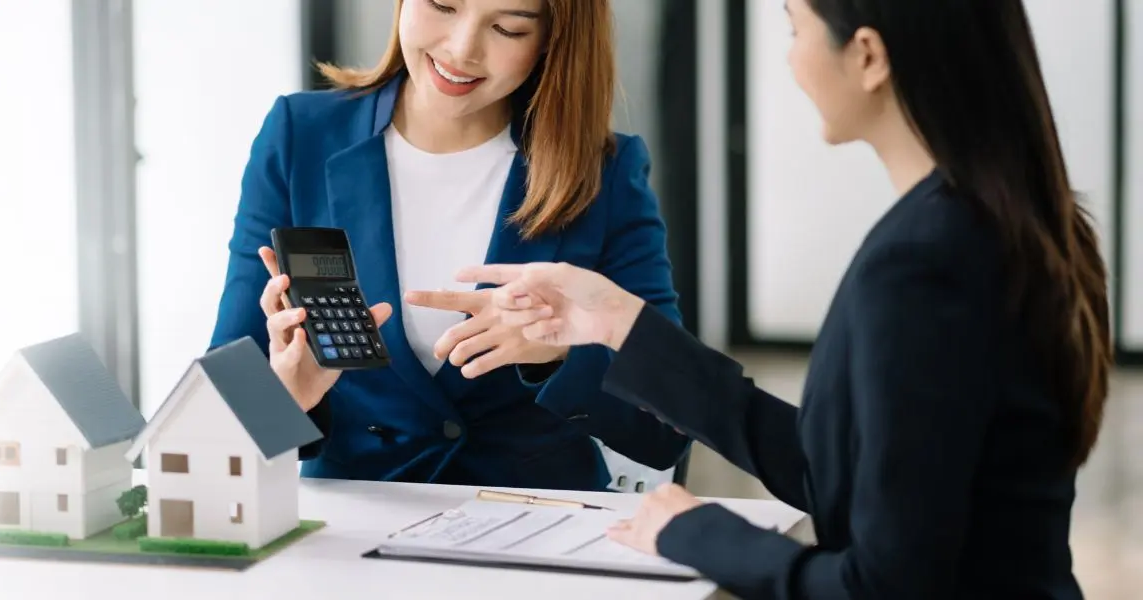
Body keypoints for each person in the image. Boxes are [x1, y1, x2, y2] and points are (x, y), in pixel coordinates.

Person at [457, 0, 1112, 597]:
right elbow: (842, 477)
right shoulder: (986, 225)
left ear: (867, 56)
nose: (791, 55)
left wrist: (701, 535)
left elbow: (884, 584)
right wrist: (622, 324)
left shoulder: (924, 263)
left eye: (794, 27)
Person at [208, 0, 688, 492]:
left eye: (507, 28)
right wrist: (286, 398)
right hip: (355, 529)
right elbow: (223, 412)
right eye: (442, 5)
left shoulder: (603, 171)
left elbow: (667, 426)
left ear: (553, 40)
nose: (461, 50)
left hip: (539, 528)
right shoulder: (301, 134)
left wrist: (558, 353)